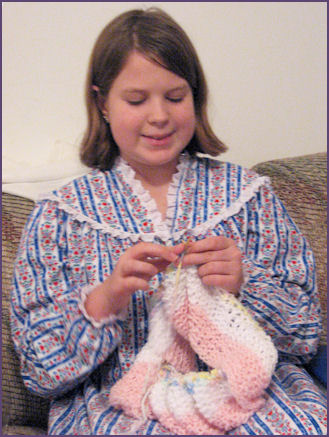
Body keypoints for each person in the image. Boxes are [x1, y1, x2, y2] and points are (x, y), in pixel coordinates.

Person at [10, 7, 326, 435]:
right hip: (121, 407)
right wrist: (106, 300)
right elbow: (39, 372)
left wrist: (242, 288)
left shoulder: (249, 196)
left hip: (249, 395)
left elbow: (306, 333)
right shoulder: (59, 218)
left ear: (195, 96)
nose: (159, 115)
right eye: (136, 100)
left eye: (175, 97)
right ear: (102, 102)